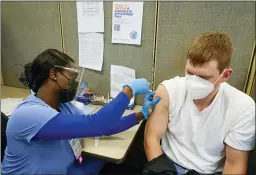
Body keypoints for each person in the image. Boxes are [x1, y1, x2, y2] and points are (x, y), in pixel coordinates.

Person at [1, 49, 161, 175]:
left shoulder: (65, 107)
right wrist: (129, 90)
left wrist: (140, 115)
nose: (74, 84)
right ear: (53, 74)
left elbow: (104, 128)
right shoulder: (29, 114)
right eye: (71, 77)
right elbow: (98, 124)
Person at [143, 32, 255, 174]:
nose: (194, 82)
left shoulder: (242, 107)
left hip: (208, 172)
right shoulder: (168, 91)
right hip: (167, 164)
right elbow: (151, 138)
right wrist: (161, 170)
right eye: (190, 73)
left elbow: (234, 164)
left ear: (225, 75)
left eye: (203, 77)